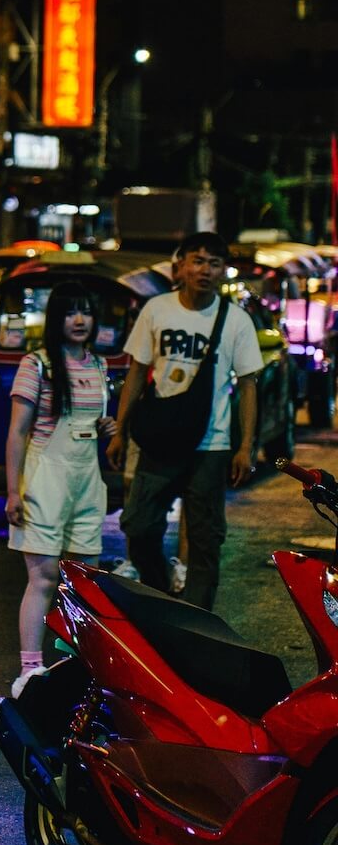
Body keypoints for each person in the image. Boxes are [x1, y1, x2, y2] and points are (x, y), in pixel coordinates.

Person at [106, 230, 260, 611]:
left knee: (206, 538)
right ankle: (161, 593)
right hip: (161, 438)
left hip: (212, 444)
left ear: (224, 271)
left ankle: (197, 619)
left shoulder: (236, 320)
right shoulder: (157, 310)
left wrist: (244, 448)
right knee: (139, 525)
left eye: (214, 263)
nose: (204, 270)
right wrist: (120, 431)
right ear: (181, 266)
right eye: (197, 261)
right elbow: (137, 374)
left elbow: (248, 386)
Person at [4, 283, 115, 698]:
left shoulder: (100, 367)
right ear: (57, 319)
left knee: (86, 578)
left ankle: (80, 663)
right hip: (45, 476)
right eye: (71, 312)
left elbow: (96, 422)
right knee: (44, 575)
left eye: (87, 311)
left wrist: (109, 428)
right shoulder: (38, 364)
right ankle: (30, 669)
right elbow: (17, 432)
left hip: (87, 478)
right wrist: (14, 492)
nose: (81, 320)